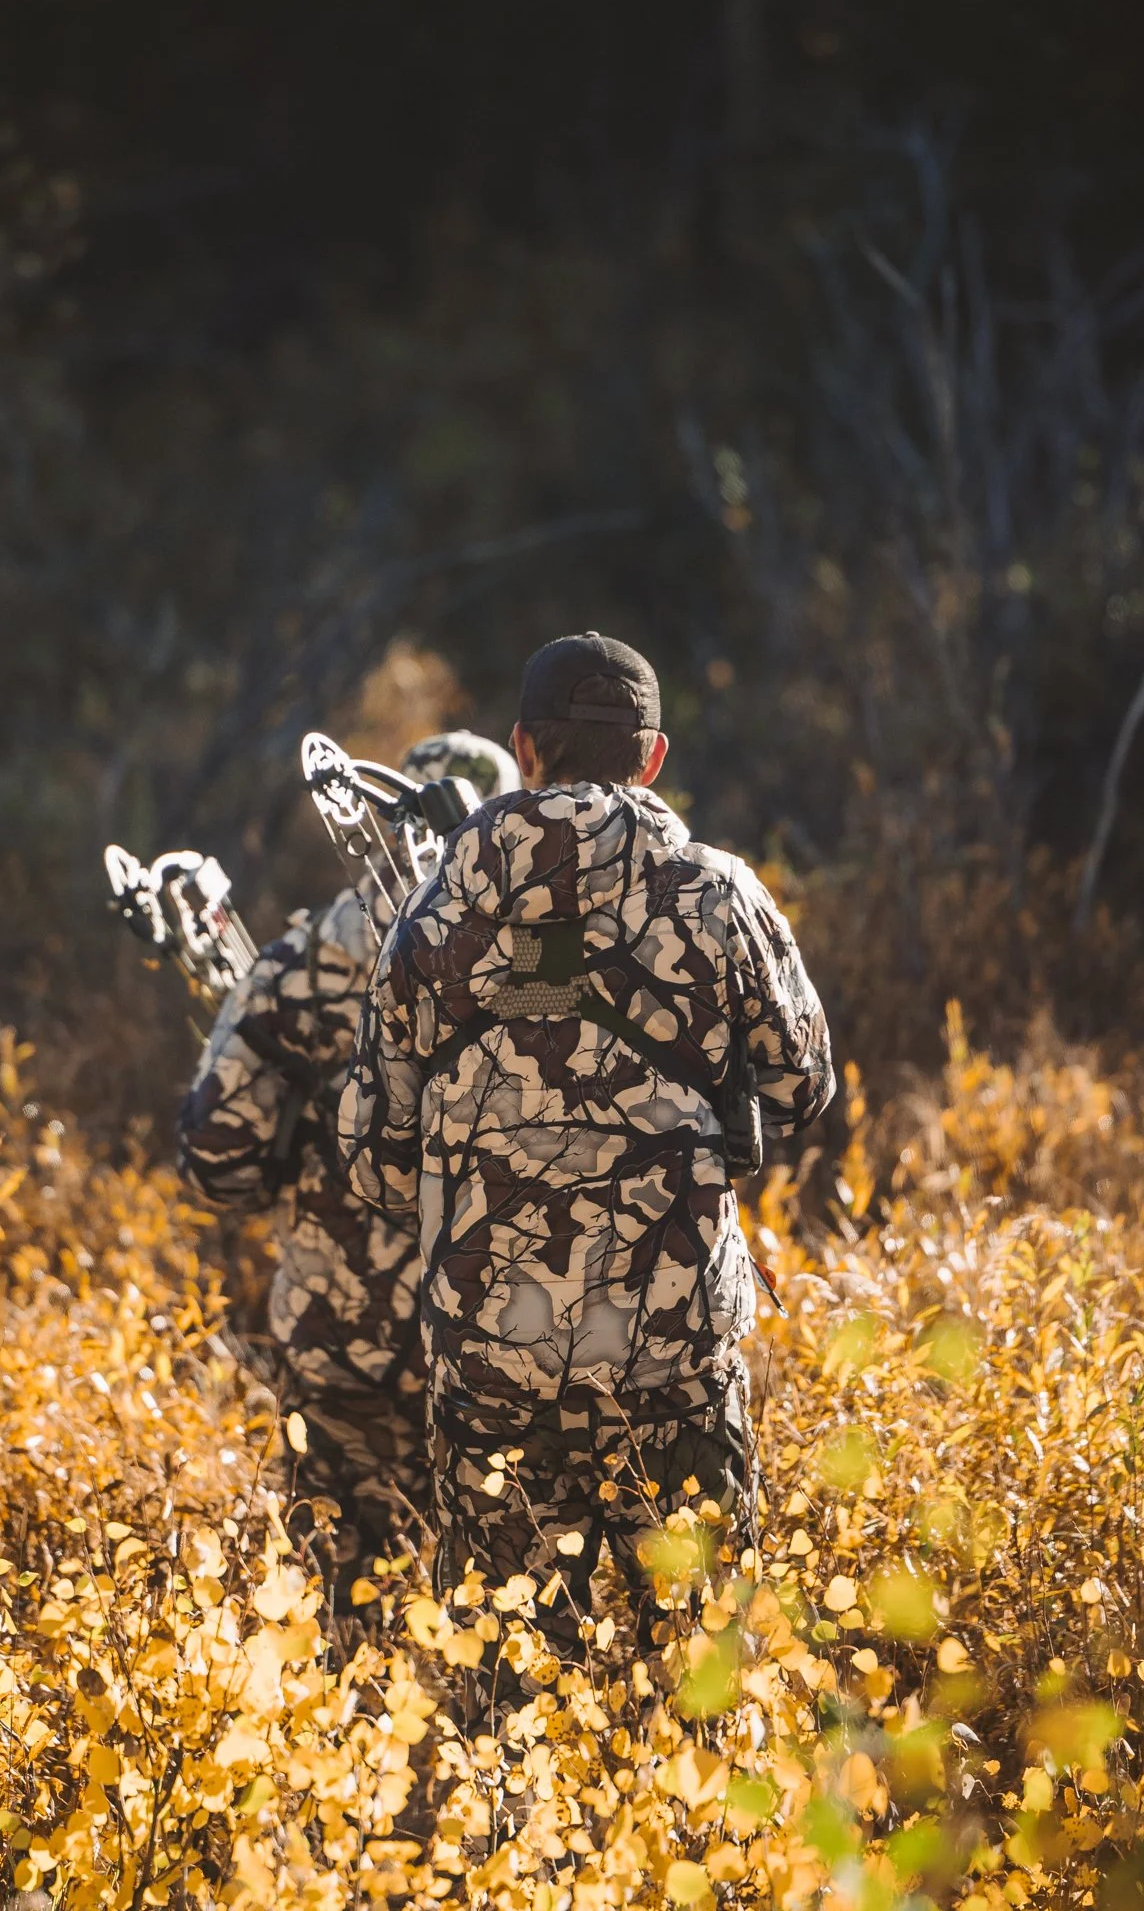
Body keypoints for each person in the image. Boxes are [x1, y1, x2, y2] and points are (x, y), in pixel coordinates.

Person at [339, 632, 834, 1652]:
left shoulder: (434, 916)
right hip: (675, 1356)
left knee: (508, 1671)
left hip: (494, 1363)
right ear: (651, 758)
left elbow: (375, 1160)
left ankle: (507, 1814)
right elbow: (803, 1087)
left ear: (521, 748)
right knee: (704, 1666)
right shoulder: (719, 896)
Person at [177, 729, 519, 1598]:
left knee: (345, 1614)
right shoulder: (539, 962)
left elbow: (218, 1163)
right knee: (500, 1623)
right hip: (505, 1349)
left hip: (342, 1350)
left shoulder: (299, 967)